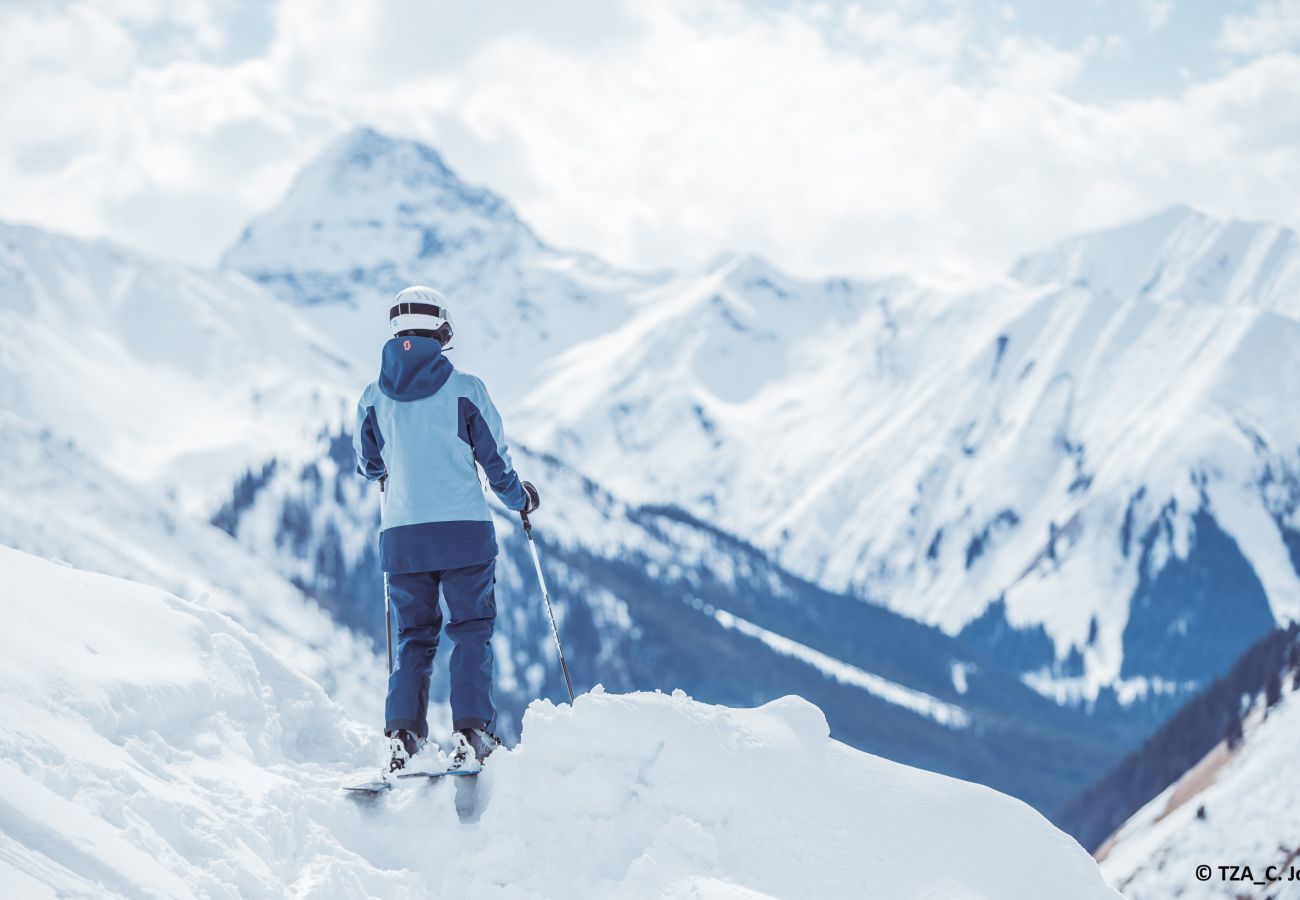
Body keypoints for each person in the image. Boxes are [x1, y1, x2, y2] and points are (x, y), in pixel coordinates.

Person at [353, 285, 540, 774]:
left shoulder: (372, 398)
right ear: (441, 331)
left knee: (414, 637)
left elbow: (369, 465)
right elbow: (496, 465)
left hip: (403, 537)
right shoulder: (466, 390)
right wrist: (522, 500)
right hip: (464, 533)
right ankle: (472, 734)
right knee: (471, 631)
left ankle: (403, 737)